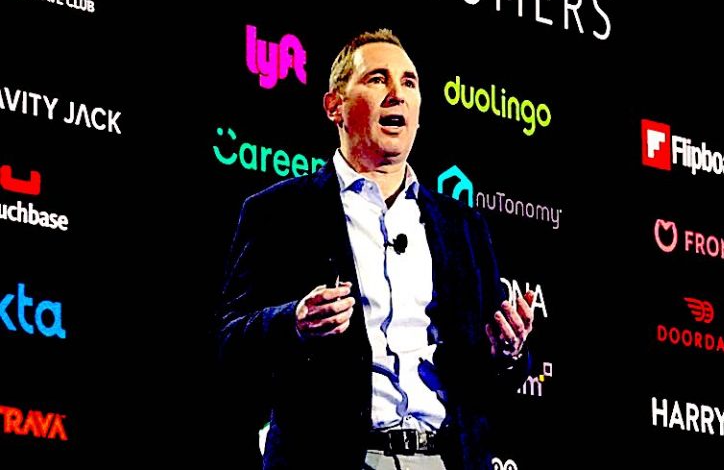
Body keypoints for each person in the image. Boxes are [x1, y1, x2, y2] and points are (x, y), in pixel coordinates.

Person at [217, 28, 534, 470]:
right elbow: (228, 345)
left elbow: (491, 380)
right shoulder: (278, 212)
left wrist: (508, 354)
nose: (397, 94)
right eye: (377, 79)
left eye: (409, 82)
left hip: (446, 459)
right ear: (335, 106)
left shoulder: (463, 226)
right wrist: (294, 322)